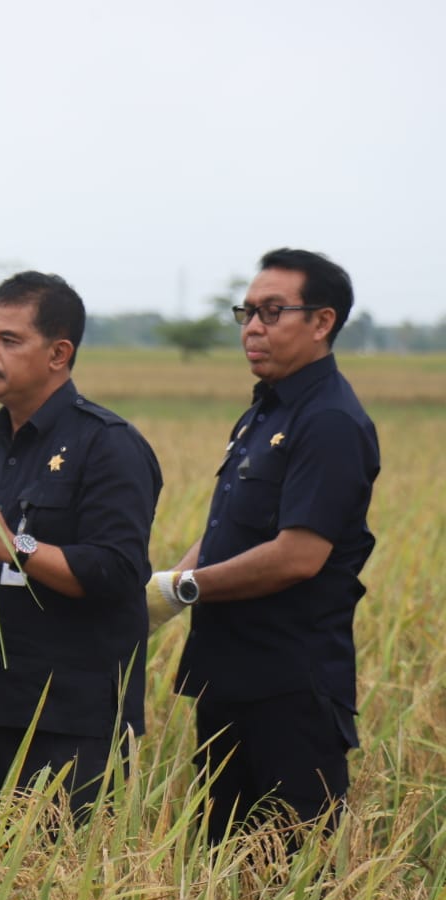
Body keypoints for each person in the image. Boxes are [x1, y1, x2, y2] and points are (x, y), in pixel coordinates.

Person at [0, 271, 161, 818]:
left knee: (55, 868)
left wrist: (17, 544)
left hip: (68, 723)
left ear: (58, 353)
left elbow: (117, 571)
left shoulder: (108, 446)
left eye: (9, 340)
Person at [149, 248, 379, 844]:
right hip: (229, 677)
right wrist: (161, 591)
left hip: (290, 689)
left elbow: (298, 555)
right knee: (223, 869)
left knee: (291, 869)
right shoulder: (265, 412)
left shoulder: (329, 421)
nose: (252, 327)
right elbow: (230, 529)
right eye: (246, 312)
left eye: (272, 312)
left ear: (322, 322)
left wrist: (185, 588)